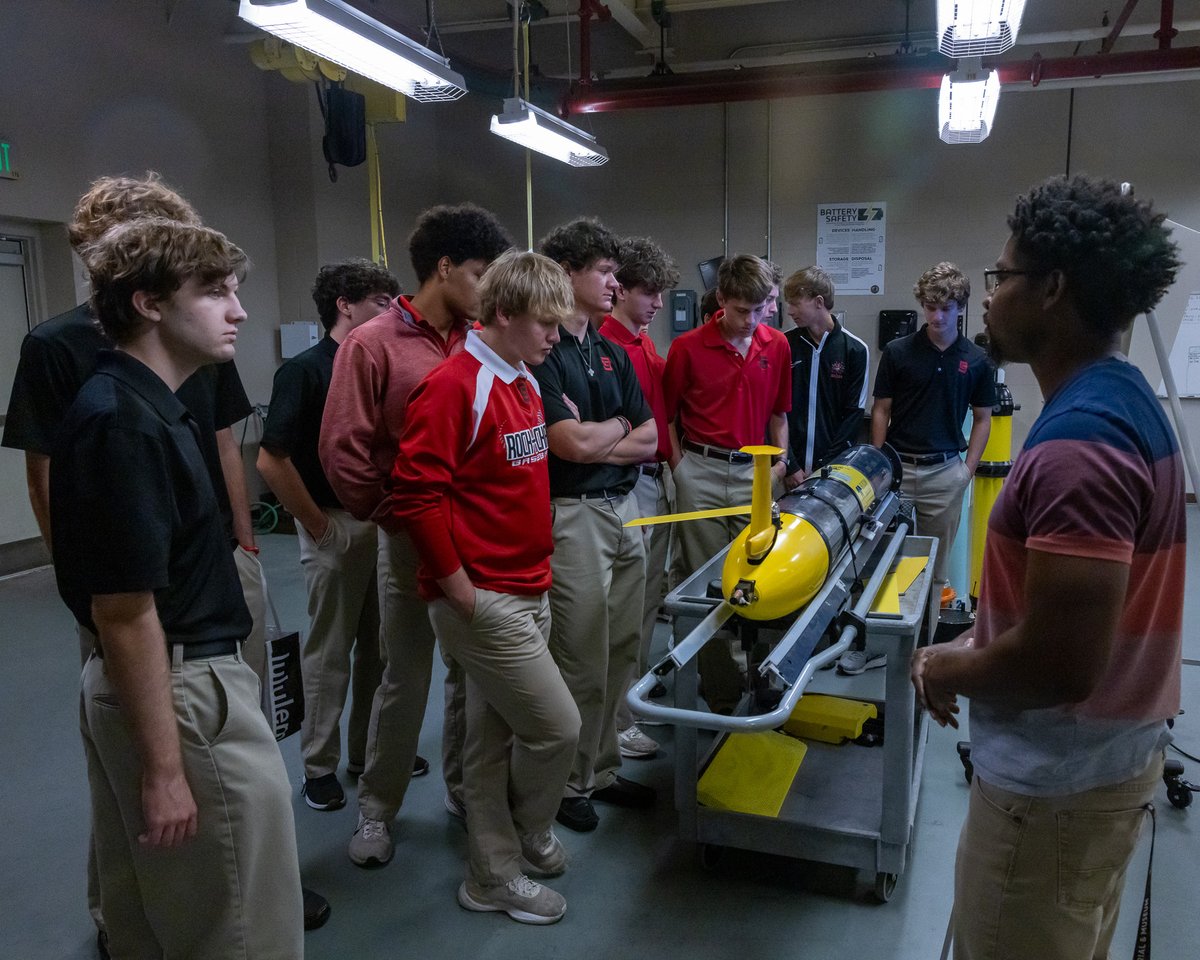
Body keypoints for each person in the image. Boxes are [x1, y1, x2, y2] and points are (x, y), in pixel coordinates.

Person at [0, 172, 328, 952]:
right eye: (215, 291)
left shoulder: (154, 402)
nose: (240, 310)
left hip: (186, 666)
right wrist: (165, 766)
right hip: (182, 688)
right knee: (240, 925)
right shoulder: (121, 422)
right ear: (148, 303)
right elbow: (122, 606)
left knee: (163, 916)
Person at [911, 174, 1184, 960]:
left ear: (1053, 289)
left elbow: (1062, 664)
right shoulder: (1119, 401)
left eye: (1002, 278)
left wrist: (942, 665)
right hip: (1096, 771)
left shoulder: (1080, 442)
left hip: (1054, 793)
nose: (988, 299)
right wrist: (974, 651)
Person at [320, 203, 512, 866]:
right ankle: (377, 811)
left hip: (479, 536)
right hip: (409, 535)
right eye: (481, 273)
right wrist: (396, 515)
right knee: (404, 673)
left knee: (475, 671)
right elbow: (344, 449)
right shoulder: (371, 344)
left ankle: (466, 790)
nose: (488, 288)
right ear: (444, 267)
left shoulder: (481, 339)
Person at [394, 249, 581, 924]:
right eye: (545, 323)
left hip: (528, 586)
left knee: (489, 740)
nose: (556, 336)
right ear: (504, 314)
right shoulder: (455, 385)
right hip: (486, 598)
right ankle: (526, 832)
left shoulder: (523, 380)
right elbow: (416, 495)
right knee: (558, 729)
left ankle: (492, 874)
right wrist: (458, 589)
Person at [257, 259, 398, 812]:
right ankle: (319, 765)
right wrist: (317, 527)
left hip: (381, 520)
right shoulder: (307, 371)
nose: (390, 310)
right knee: (330, 651)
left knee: (379, 652)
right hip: (334, 523)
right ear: (344, 304)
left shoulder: (374, 365)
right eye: (380, 301)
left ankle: (367, 751)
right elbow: (272, 460)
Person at [532, 217, 658, 833]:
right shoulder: (546, 353)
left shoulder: (611, 352)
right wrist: (610, 436)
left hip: (624, 509)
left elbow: (651, 438)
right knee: (579, 655)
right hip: (574, 514)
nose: (614, 283)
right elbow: (566, 444)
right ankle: (566, 784)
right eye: (604, 272)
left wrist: (598, 436)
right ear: (567, 274)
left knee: (622, 647)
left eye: (615, 273)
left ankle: (601, 769)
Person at [662, 254, 791, 712]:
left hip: (757, 473)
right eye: (742, 311)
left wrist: (780, 463)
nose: (751, 321)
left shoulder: (776, 345)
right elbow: (668, 416)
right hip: (701, 468)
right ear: (721, 300)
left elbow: (780, 413)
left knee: (765, 579)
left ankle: (765, 680)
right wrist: (680, 469)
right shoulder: (688, 348)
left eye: (759, 311)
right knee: (705, 587)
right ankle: (720, 690)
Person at [870, 261, 994, 605]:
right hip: (896, 469)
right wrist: (878, 466)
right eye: (930, 307)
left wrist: (966, 471)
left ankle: (925, 649)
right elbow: (881, 410)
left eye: (945, 308)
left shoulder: (977, 359)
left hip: (944, 474)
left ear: (960, 307)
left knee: (934, 571)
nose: (937, 316)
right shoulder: (898, 352)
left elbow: (983, 418)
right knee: (885, 563)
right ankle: (884, 650)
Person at [599, 235, 680, 760]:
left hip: (657, 477)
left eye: (660, 294)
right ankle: (615, 720)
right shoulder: (604, 347)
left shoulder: (644, 343)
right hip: (625, 485)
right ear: (620, 288)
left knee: (648, 602)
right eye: (647, 293)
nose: (656, 304)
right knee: (620, 611)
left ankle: (628, 700)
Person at [782, 266, 869, 488]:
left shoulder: (855, 350)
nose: (789, 311)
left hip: (830, 472)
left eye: (795, 303)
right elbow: (774, 409)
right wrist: (789, 464)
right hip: (786, 468)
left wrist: (825, 466)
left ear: (819, 301)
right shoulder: (784, 345)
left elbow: (853, 415)